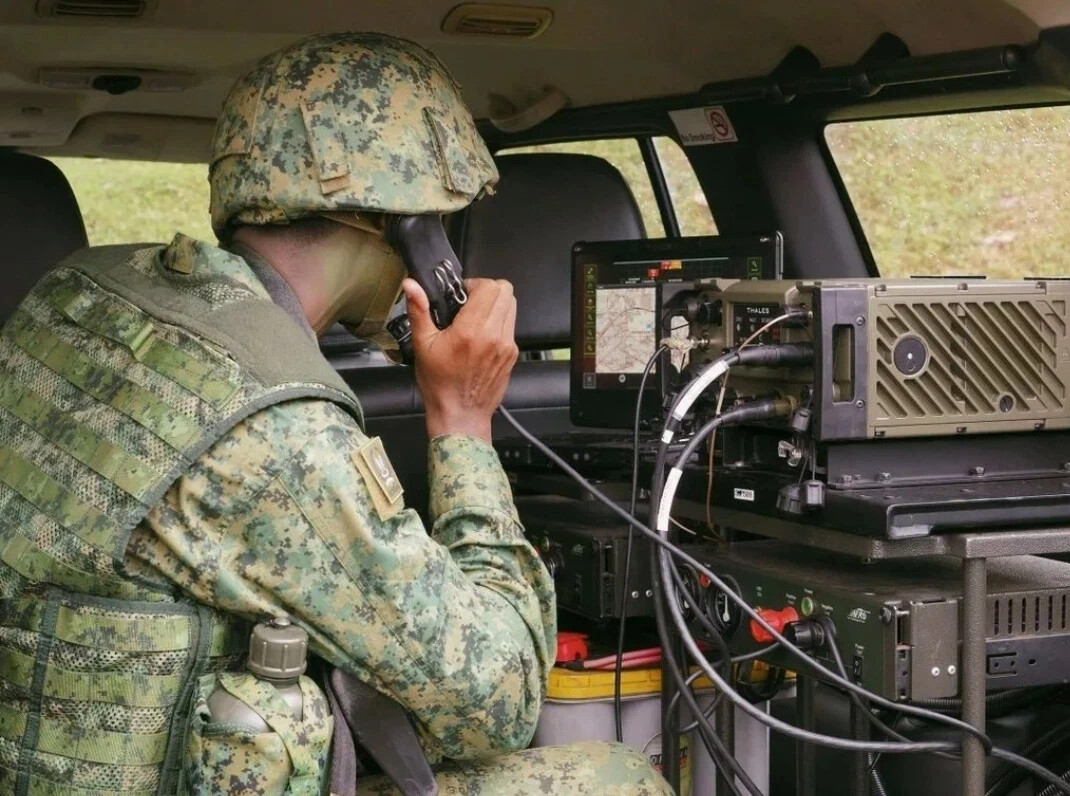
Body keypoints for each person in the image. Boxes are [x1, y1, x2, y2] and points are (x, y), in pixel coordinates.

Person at [0, 31, 671, 795]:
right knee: (617, 778)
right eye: (442, 223)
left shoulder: (73, 299)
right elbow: (498, 699)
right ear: (405, 227)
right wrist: (463, 419)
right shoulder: (274, 426)